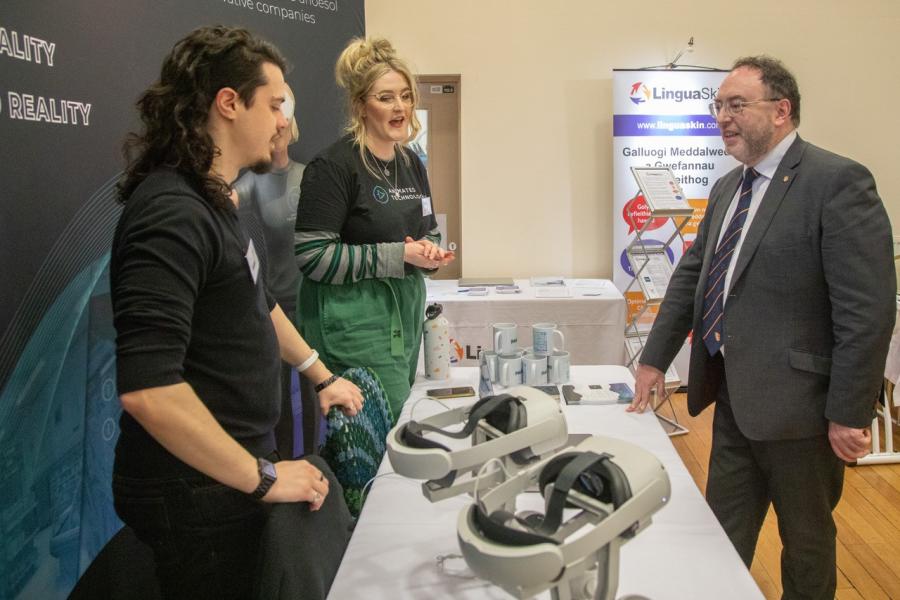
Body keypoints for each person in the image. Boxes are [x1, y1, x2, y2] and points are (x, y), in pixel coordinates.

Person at [110, 26, 363, 598]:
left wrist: (319, 374)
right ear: (229, 103)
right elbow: (149, 390)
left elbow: (258, 300)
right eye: (275, 104)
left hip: (229, 477)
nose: (284, 122)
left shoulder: (214, 199)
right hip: (196, 492)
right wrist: (264, 478)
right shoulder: (172, 212)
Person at [629, 55, 895, 599]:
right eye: (718, 106)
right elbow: (692, 278)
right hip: (733, 401)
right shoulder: (729, 187)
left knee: (806, 546)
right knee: (721, 538)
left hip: (804, 412)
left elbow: (866, 311)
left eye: (736, 105)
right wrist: (653, 359)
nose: (722, 117)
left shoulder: (837, 181)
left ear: (781, 110)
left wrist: (848, 411)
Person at [295, 37, 454, 420]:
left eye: (405, 96)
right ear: (360, 106)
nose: (400, 107)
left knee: (397, 420)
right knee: (366, 437)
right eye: (386, 98)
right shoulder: (334, 167)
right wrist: (401, 255)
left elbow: (427, 229)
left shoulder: (411, 162)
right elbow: (312, 256)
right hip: (352, 327)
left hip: (402, 319)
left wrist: (430, 253)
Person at [233, 83, 307, 458]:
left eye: (281, 126)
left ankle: (315, 465)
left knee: (313, 394)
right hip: (276, 306)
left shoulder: (309, 178)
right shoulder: (255, 183)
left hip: (310, 303)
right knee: (276, 401)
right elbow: (227, 197)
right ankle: (280, 468)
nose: (275, 132)